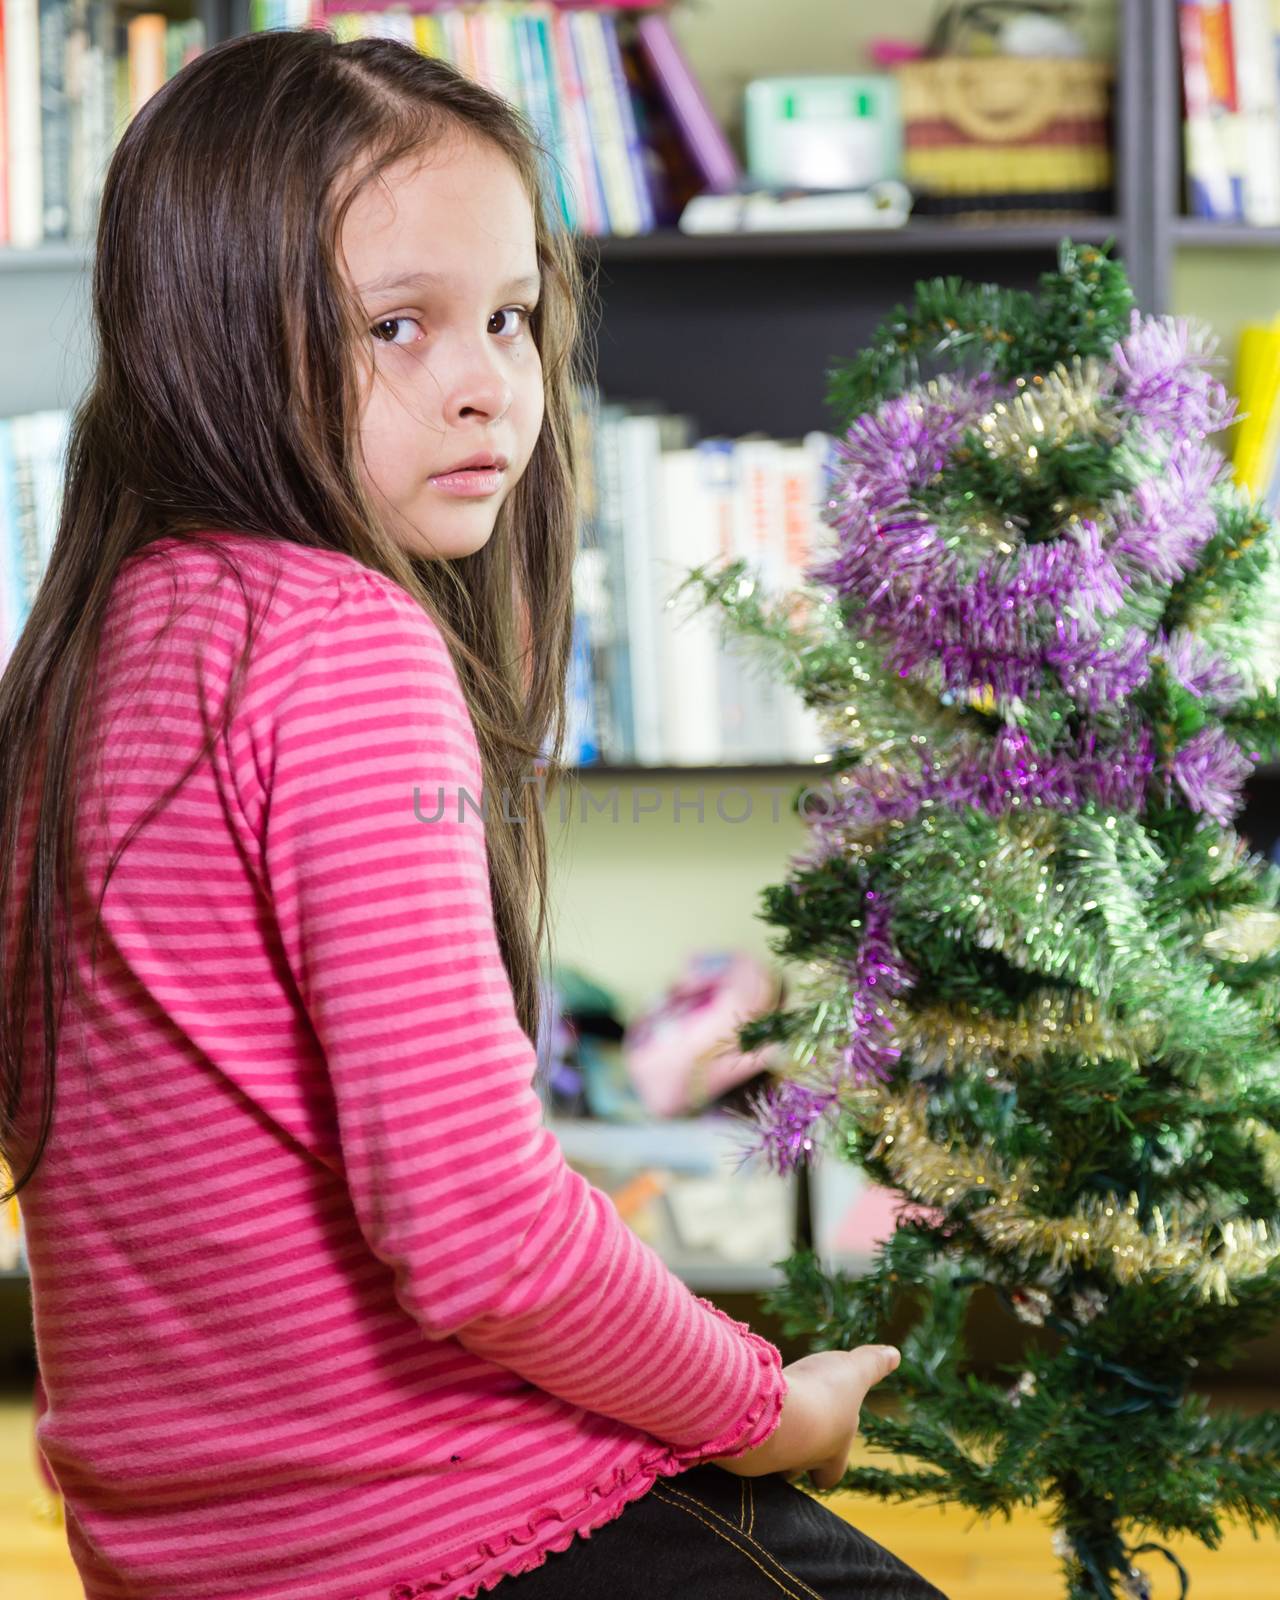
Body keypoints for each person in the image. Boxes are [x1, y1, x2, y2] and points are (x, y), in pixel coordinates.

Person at [0, 27, 949, 1600]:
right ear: (211, 336)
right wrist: (767, 1405)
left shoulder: (83, 659)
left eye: (509, 316)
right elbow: (480, 1233)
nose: (489, 384)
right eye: (398, 324)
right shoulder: (336, 639)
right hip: (461, 1525)